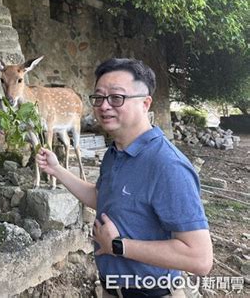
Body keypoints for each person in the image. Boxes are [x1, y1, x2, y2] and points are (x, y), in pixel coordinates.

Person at [36, 58, 213, 297]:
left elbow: (200, 258)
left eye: (116, 98)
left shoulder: (167, 166)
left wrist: (118, 246)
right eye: (98, 97)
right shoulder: (114, 153)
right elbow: (101, 198)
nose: (104, 106)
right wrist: (57, 169)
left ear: (145, 104)